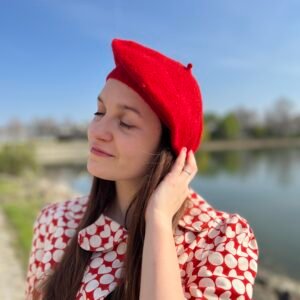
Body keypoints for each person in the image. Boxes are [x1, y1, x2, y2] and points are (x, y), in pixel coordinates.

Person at [24, 38, 259, 300]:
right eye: (99, 112)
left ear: (168, 148)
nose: (97, 131)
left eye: (125, 122)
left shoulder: (219, 239)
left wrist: (157, 220)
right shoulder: (55, 221)